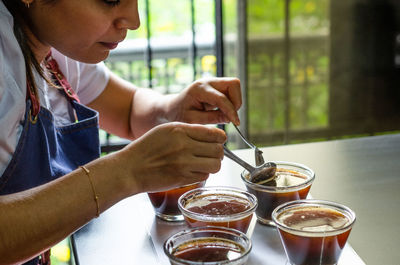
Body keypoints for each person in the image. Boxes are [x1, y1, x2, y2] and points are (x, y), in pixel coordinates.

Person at [0, 0, 242, 264]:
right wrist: (126, 173)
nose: (134, 20)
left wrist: (173, 109)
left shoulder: (58, 51)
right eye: (111, 0)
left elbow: (127, 110)